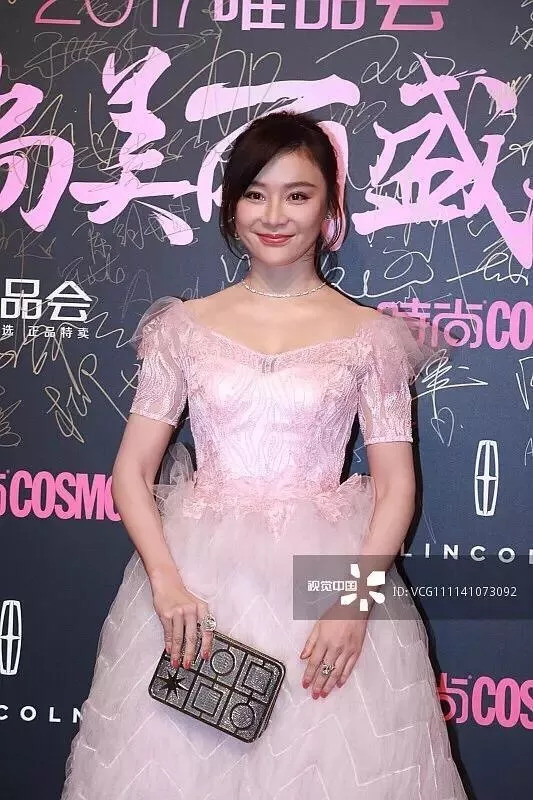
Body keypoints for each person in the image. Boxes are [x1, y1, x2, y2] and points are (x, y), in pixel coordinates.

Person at [60, 111, 469, 799]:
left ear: (330, 207)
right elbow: (131, 473)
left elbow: (395, 486)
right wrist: (165, 582)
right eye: (255, 194)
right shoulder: (183, 330)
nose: (274, 215)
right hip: (197, 583)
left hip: (323, 580)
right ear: (231, 206)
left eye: (297, 194)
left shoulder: (371, 338)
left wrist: (355, 603)